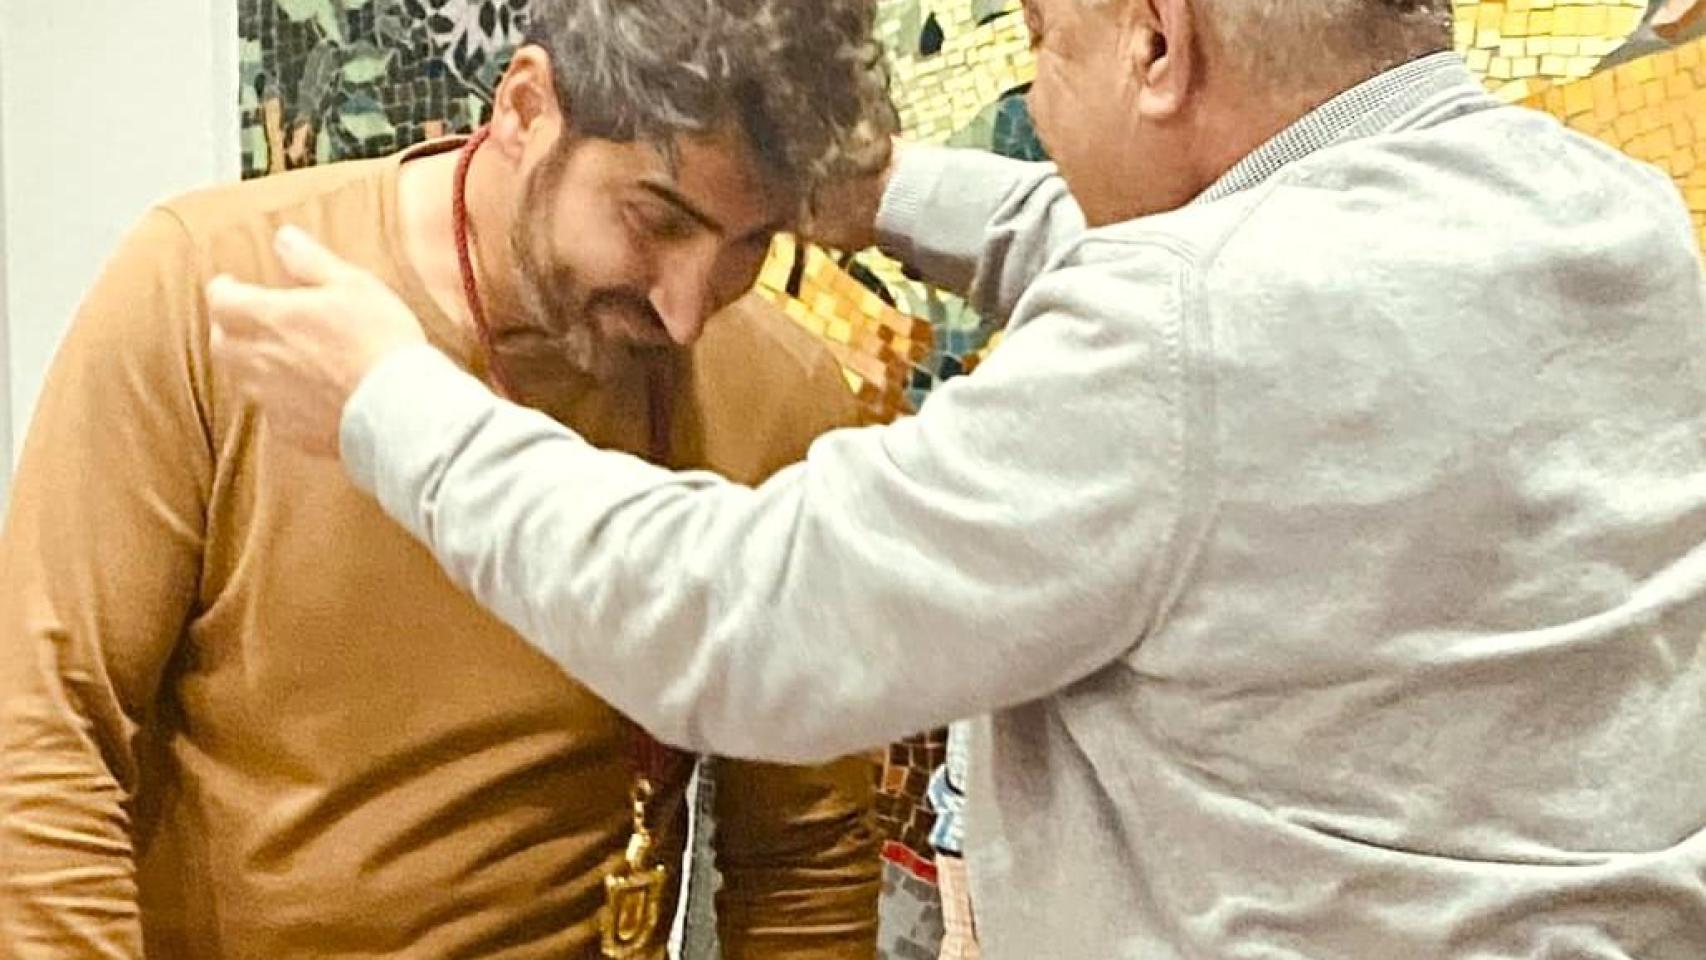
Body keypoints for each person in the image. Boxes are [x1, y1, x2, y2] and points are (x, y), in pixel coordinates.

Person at [206, 0, 1706, 955]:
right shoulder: (1608, 215)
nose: (1035, 94)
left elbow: (744, 619)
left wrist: (393, 403)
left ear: (1156, 43)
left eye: (1042, 41)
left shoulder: (1188, 328)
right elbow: (1217, 289)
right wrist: (873, 194)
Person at [0, 0, 898, 957]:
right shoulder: (212, 289)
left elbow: (804, 854)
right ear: (524, 108)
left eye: (752, 244)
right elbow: (45, 746)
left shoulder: (781, 391)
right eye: (656, 220)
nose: (687, 311)